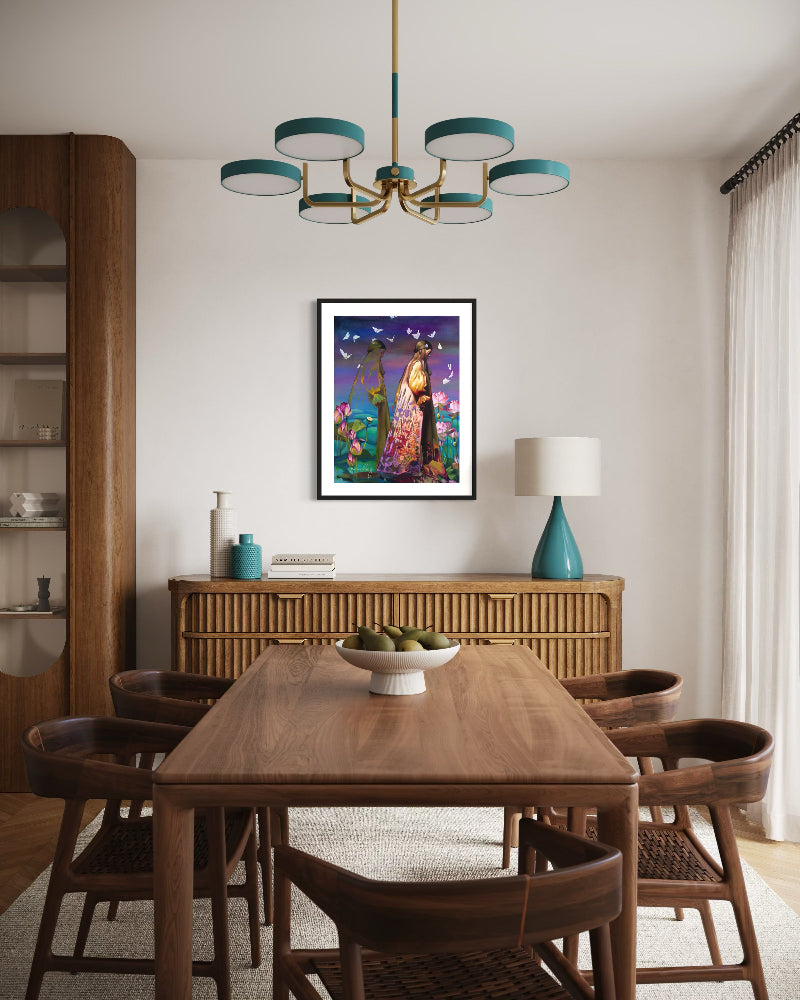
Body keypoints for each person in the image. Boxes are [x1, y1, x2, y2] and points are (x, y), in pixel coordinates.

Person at [377, 339, 447, 481]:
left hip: (406, 402)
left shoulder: (411, 363)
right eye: (428, 352)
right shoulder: (417, 364)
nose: (429, 354)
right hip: (412, 403)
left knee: (402, 433)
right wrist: (422, 396)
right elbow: (416, 385)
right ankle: (409, 468)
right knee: (411, 434)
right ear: (421, 350)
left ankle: (398, 467)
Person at [348, 338, 390, 470]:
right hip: (372, 398)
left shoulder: (370, 360)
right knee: (377, 426)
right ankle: (378, 460)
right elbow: (368, 379)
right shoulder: (372, 360)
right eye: (381, 353)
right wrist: (375, 393)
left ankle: (377, 458)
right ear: (377, 351)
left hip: (370, 396)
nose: (382, 355)